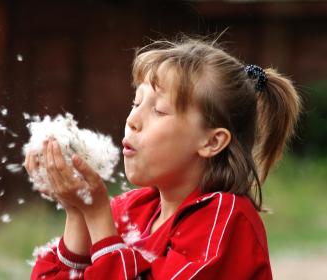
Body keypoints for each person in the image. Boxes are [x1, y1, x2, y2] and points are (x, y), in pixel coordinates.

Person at [24, 36, 301, 279]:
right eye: (136, 103)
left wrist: (97, 217)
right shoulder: (131, 209)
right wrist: (78, 211)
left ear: (211, 141)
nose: (132, 120)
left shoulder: (225, 220)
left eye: (158, 110)